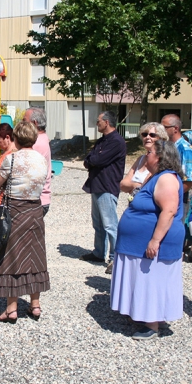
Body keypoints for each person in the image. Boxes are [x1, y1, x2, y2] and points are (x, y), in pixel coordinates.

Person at [110, 140, 184, 340]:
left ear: (160, 157)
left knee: (151, 280)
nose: (146, 156)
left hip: (152, 242)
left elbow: (169, 211)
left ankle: (152, 323)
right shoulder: (155, 177)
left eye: (149, 152)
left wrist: (155, 240)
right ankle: (141, 314)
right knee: (141, 280)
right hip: (135, 242)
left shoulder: (167, 179)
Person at [0, 121, 49, 323]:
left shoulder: (12, 160)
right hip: (35, 210)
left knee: (11, 258)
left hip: (15, 210)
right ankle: (35, 305)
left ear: (15, 138)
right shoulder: (42, 159)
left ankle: (11, 309)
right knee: (35, 257)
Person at [81, 111, 127, 269]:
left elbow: (97, 159)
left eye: (98, 120)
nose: (97, 123)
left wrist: (92, 160)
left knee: (110, 224)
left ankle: (116, 257)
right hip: (97, 184)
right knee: (98, 223)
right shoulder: (102, 140)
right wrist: (91, 160)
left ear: (107, 122)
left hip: (107, 186)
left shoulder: (116, 141)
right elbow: (89, 159)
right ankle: (99, 252)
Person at [121, 122, 168, 199]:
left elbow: (148, 186)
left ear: (161, 138)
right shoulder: (141, 159)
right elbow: (123, 185)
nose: (147, 137)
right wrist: (137, 186)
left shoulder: (162, 160)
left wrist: (132, 186)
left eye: (152, 135)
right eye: (144, 134)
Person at [23, 107, 52, 215]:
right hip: (38, 198)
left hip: (35, 200)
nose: (21, 124)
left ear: (34, 123)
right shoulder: (43, 138)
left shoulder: (36, 143)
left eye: (24, 121)